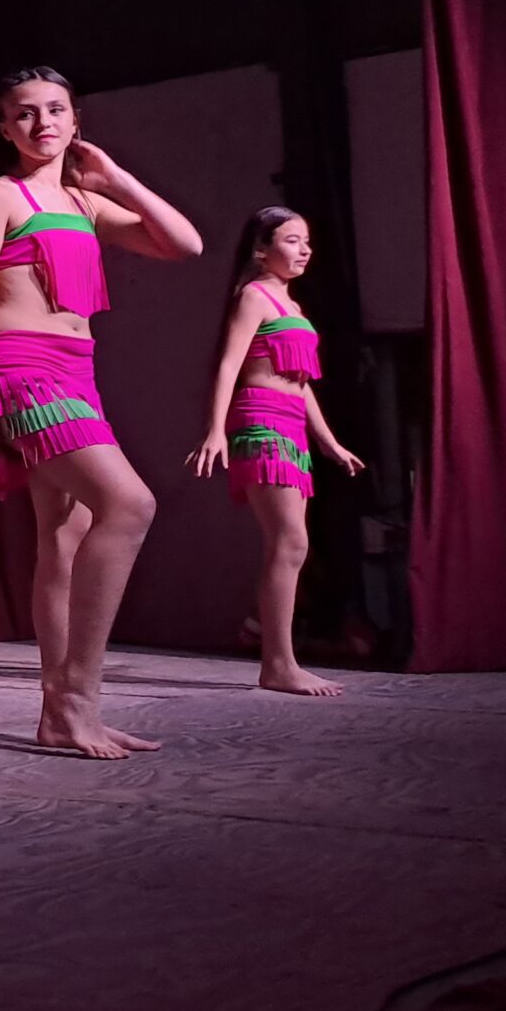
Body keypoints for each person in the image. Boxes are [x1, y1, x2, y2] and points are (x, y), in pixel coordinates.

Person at [0, 66, 201, 760]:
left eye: (55, 110)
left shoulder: (83, 202)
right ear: (5, 128)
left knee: (65, 534)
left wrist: (116, 180)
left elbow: (185, 245)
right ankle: (78, 696)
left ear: (76, 121)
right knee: (129, 506)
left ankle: (60, 711)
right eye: (25, 114)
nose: (42, 123)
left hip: (78, 370)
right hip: (22, 369)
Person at [188, 207, 365, 696]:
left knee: (291, 543)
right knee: (290, 541)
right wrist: (216, 430)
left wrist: (329, 442)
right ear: (261, 249)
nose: (304, 249)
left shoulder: (293, 307)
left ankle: (270, 646)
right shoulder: (254, 296)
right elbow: (229, 363)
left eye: (306, 240)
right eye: (291, 240)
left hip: (290, 424)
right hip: (260, 418)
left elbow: (301, 382)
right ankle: (278, 663)